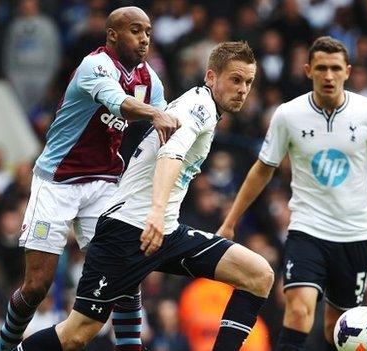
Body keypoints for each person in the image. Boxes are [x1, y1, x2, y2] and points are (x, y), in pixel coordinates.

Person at [18, 41, 274, 351]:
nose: (243, 89)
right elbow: (171, 154)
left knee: (258, 274)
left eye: (248, 82)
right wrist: (155, 211)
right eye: (235, 79)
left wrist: (161, 217)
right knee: (77, 334)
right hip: (126, 231)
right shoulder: (199, 107)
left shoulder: (204, 108)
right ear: (211, 76)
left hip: (164, 232)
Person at [0, 6, 180, 351]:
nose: (144, 40)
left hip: (103, 184)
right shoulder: (94, 66)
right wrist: (157, 113)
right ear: (112, 34)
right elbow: (118, 104)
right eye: (135, 31)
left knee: (125, 276)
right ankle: (5, 345)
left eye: (148, 33)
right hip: (57, 181)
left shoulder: (149, 79)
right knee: (37, 285)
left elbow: (165, 123)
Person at [217, 36, 367, 351]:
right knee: (298, 309)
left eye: (335, 68)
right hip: (308, 228)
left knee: (338, 327)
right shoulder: (288, 115)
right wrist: (231, 220)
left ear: (347, 71)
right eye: (321, 68)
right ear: (308, 70)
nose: (328, 75)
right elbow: (262, 169)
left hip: (356, 233)